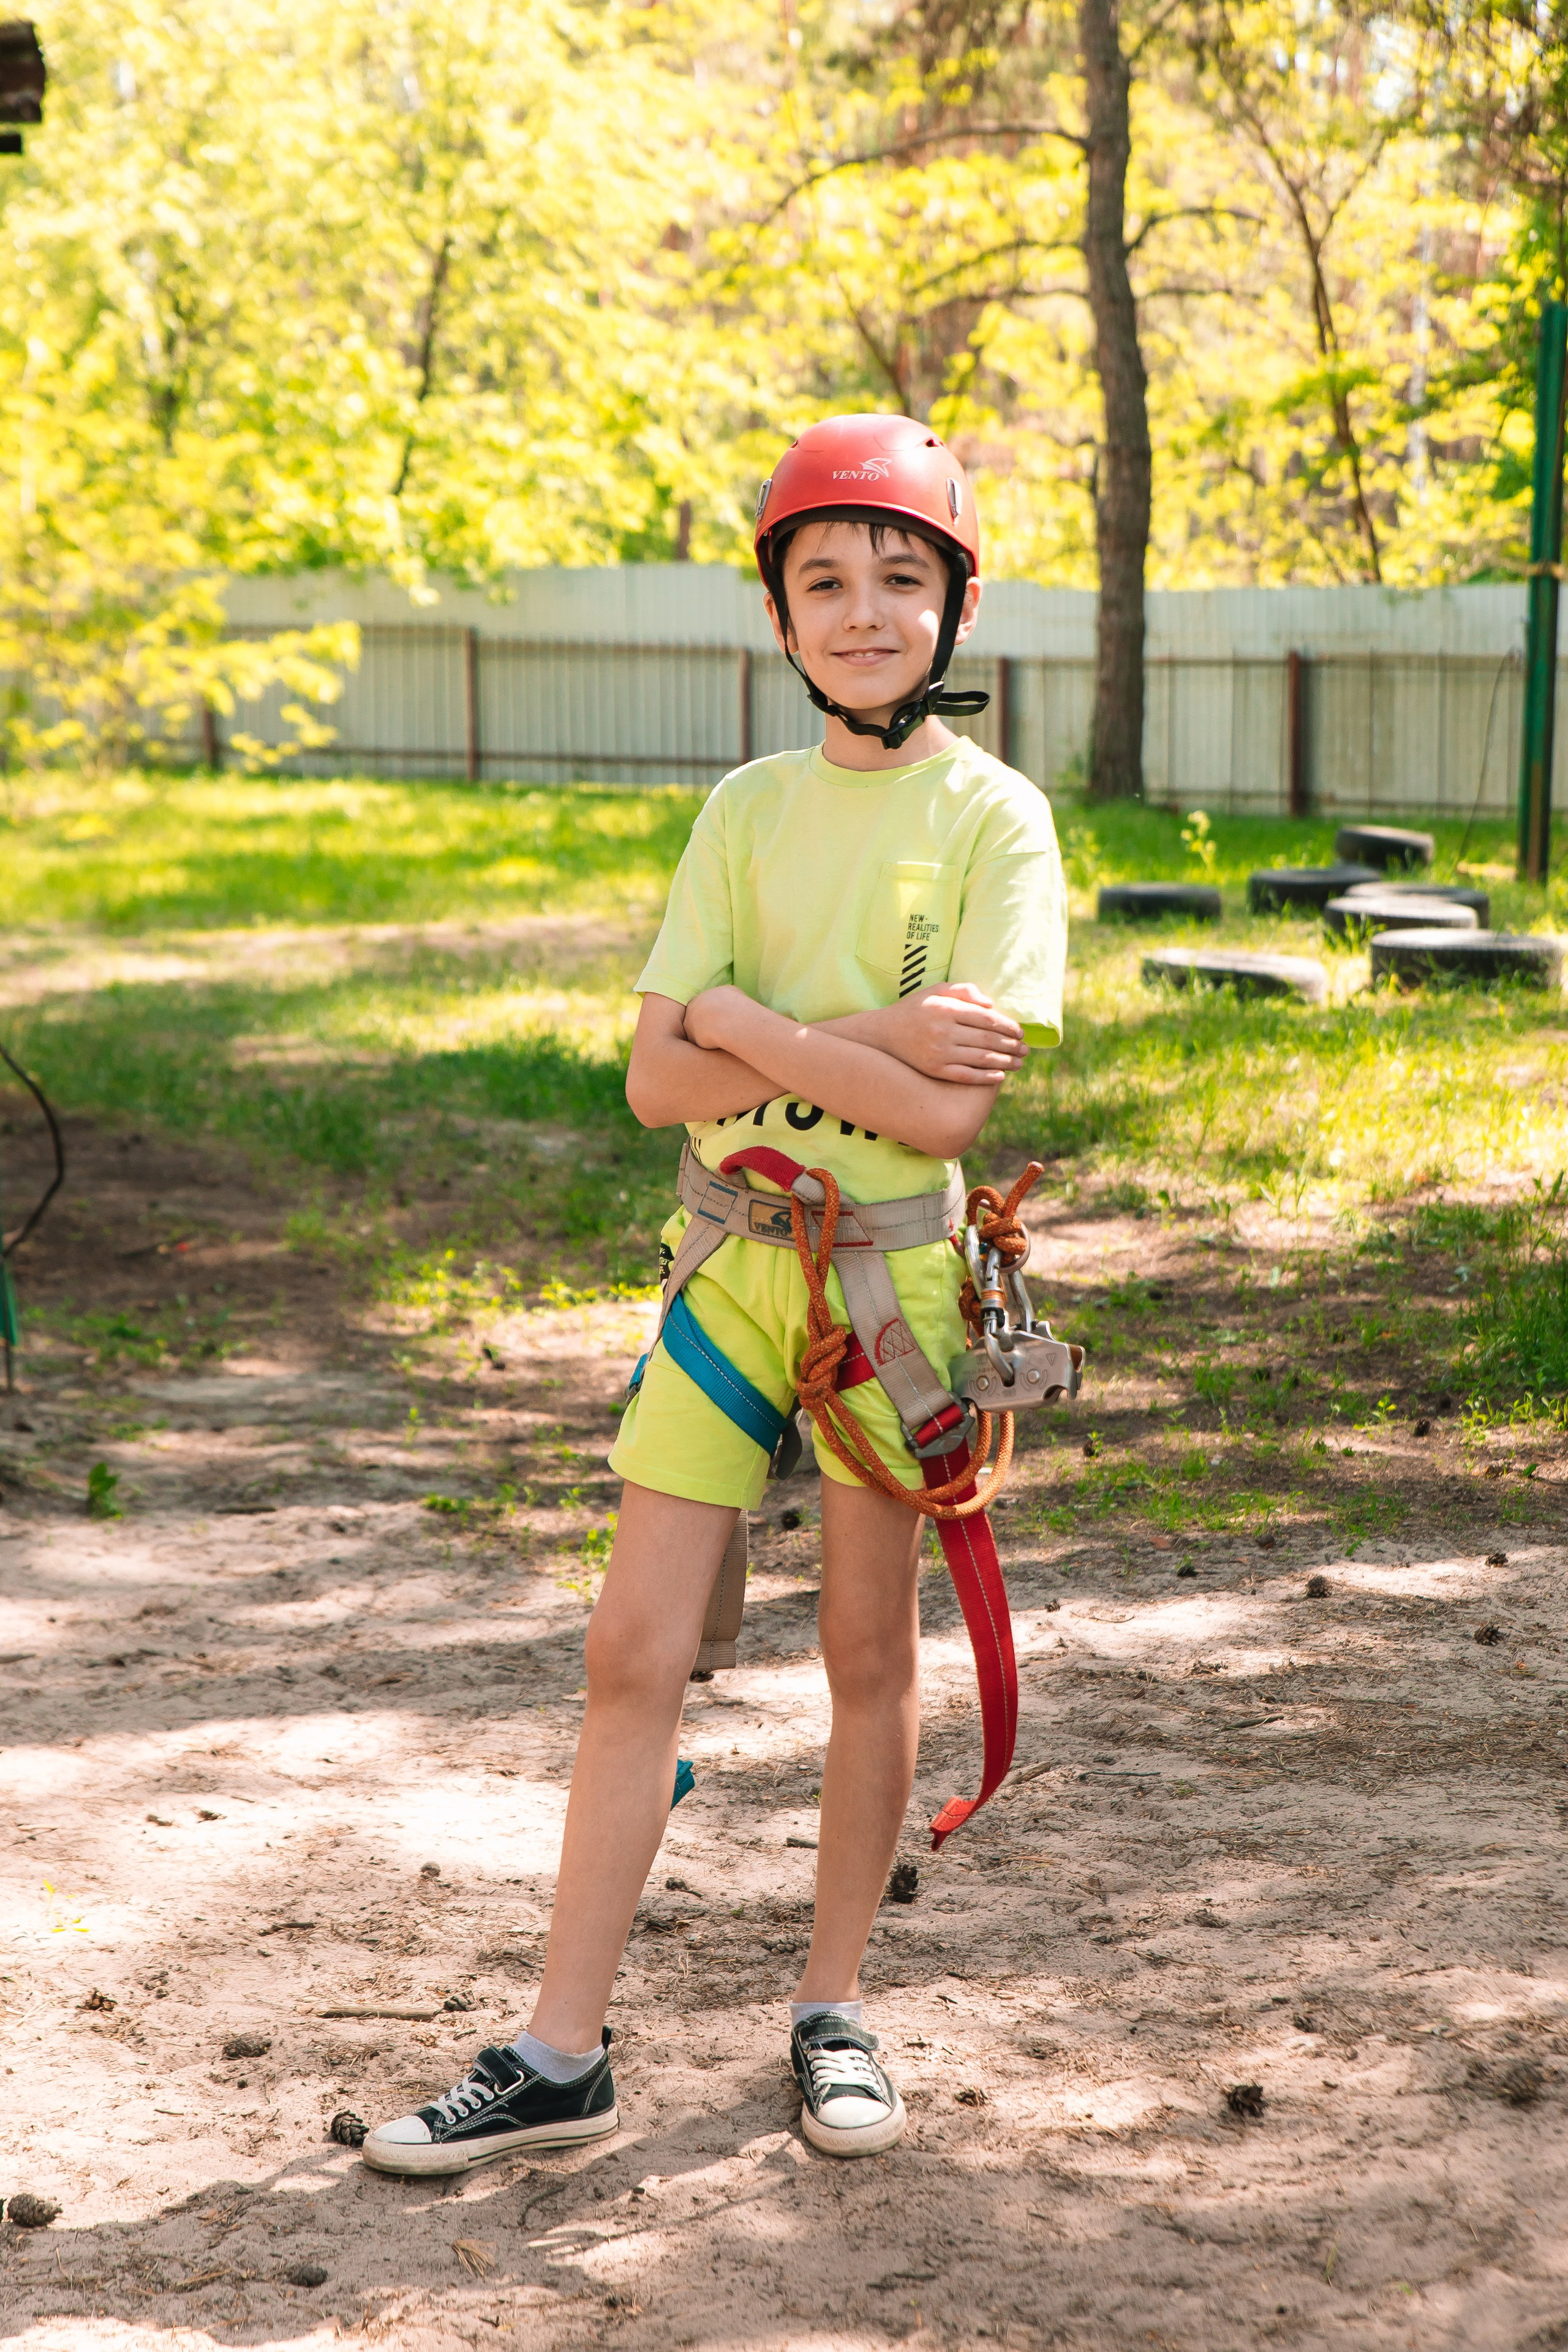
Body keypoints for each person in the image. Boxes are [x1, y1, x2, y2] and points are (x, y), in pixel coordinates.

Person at [362, 412, 1068, 2176]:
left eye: (899, 578)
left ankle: (835, 2010)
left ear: (958, 607)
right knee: (632, 1653)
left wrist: (749, 1024)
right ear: (778, 618)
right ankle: (560, 2052)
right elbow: (655, 1083)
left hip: (890, 1288)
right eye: (823, 582)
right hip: (724, 1269)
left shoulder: (994, 821)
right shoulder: (744, 812)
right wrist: (857, 1036)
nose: (862, 612)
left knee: (863, 1652)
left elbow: (947, 1117)